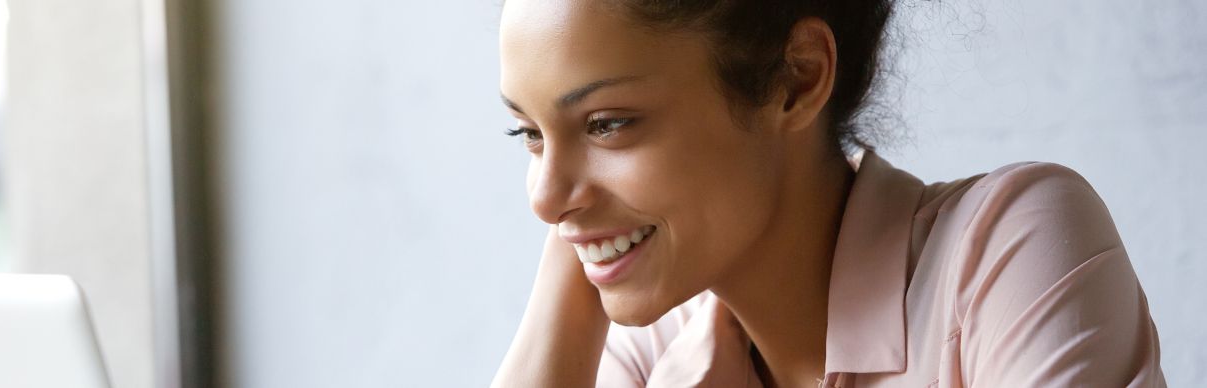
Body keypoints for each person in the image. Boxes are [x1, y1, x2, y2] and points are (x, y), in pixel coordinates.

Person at [490, 1, 1166, 387]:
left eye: (607, 124)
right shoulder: (652, 354)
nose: (543, 201)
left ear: (796, 79)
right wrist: (575, 287)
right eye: (529, 134)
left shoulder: (1005, 256)